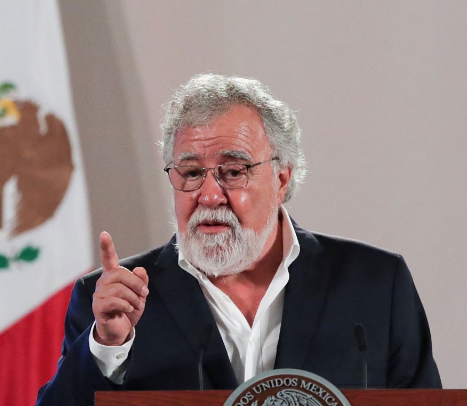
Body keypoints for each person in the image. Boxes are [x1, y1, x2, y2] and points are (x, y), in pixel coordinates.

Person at [35, 74, 441, 406]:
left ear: (281, 179)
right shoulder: (114, 303)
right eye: (191, 173)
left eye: (233, 171)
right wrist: (107, 348)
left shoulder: (375, 285)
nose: (209, 196)